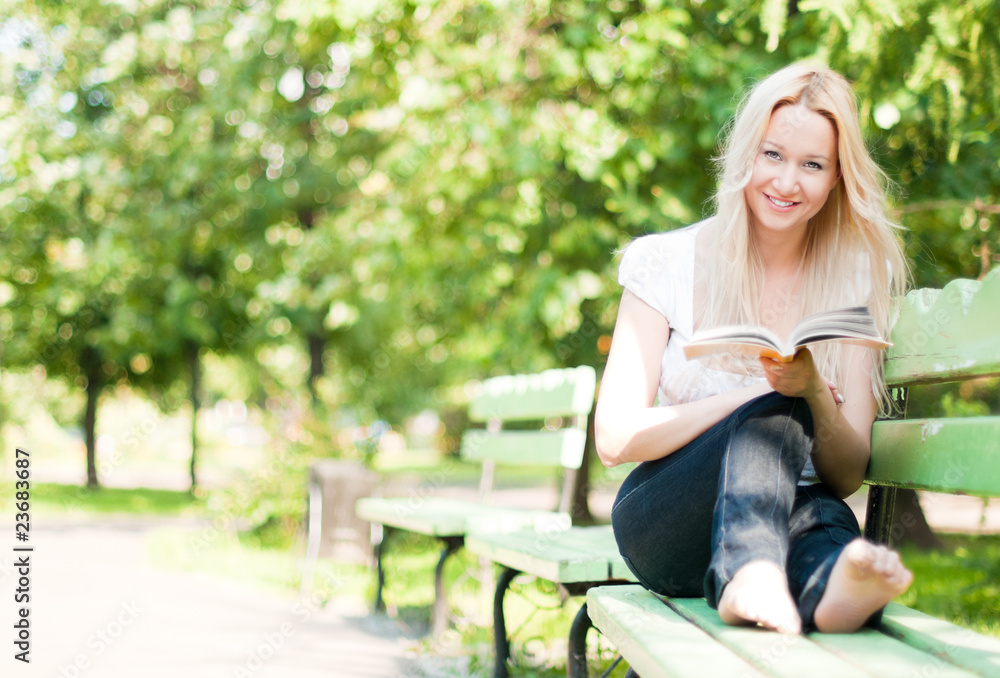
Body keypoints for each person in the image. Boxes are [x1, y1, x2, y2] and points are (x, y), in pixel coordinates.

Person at [595, 63, 913, 634]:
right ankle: (753, 570)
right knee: (777, 408)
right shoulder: (665, 263)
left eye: (812, 165)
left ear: (838, 177)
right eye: (773, 155)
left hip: (799, 513)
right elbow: (615, 439)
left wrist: (814, 390)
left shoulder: (856, 279)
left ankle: (834, 587)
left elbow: (844, 476)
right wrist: (753, 395)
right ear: (745, 153)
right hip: (669, 517)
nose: (787, 183)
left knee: (820, 513)